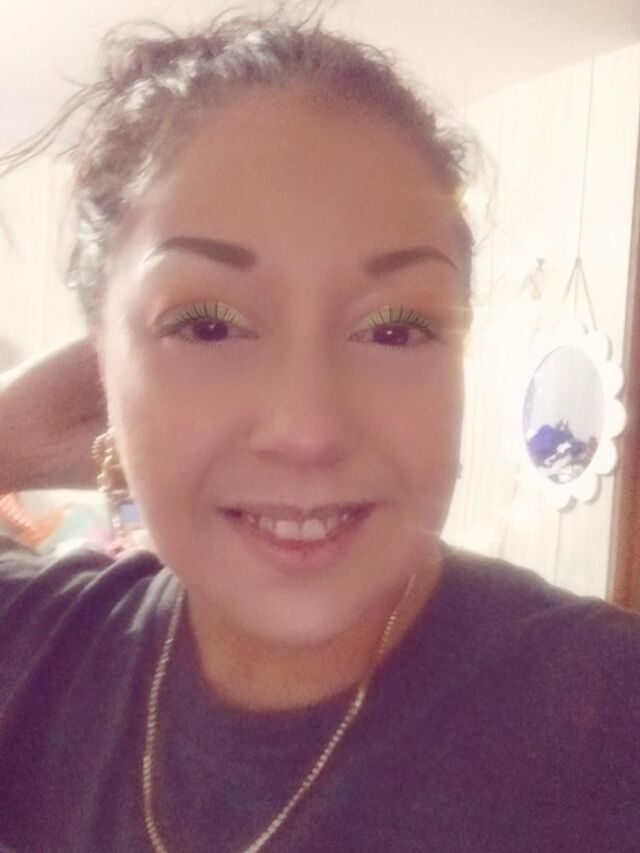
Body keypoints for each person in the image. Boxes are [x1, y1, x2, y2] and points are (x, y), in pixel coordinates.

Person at [0, 13, 639, 853]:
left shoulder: (604, 720)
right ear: (97, 361)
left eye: (395, 329)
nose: (308, 429)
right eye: (207, 325)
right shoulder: (37, 650)